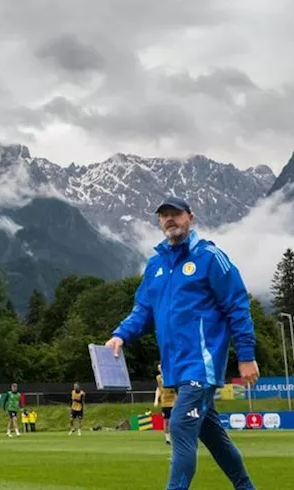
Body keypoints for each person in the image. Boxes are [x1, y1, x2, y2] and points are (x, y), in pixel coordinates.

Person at [105, 196, 258, 490]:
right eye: (163, 215)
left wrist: (246, 355)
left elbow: (237, 306)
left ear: (190, 217)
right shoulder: (156, 265)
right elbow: (143, 309)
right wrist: (120, 334)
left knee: (179, 425)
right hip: (177, 368)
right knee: (213, 436)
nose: (169, 219)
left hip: (202, 363)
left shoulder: (211, 257)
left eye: (175, 213)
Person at [154, 364, 176, 445]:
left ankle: (176, 437)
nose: (160, 369)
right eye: (159, 368)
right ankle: (167, 439)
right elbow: (158, 389)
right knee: (166, 421)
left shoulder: (172, 376)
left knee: (174, 420)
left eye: (161, 368)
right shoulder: (159, 378)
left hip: (174, 401)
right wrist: (156, 400)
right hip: (165, 402)